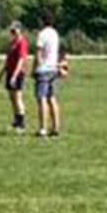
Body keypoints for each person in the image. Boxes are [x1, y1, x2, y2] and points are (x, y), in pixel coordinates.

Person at [33, 10, 67, 138]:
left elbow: (38, 53)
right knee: (52, 98)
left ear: (42, 20)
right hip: (53, 69)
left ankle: (42, 128)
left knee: (41, 98)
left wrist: (35, 68)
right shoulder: (55, 33)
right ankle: (56, 127)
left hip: (43, 69)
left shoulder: (42, 34)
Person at [0, 21, 31, 133]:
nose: (12, 32)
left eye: (15, 30)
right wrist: (2, 72)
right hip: (10, 72)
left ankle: (22, 123)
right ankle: (16, 119)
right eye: (11, 30)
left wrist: (14, 75)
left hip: (18, 73)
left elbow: (21, 60)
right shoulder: (12, 42)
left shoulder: (22, 42)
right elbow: (8, 59)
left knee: (18, 97)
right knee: (11, 97)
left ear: (19, 30)